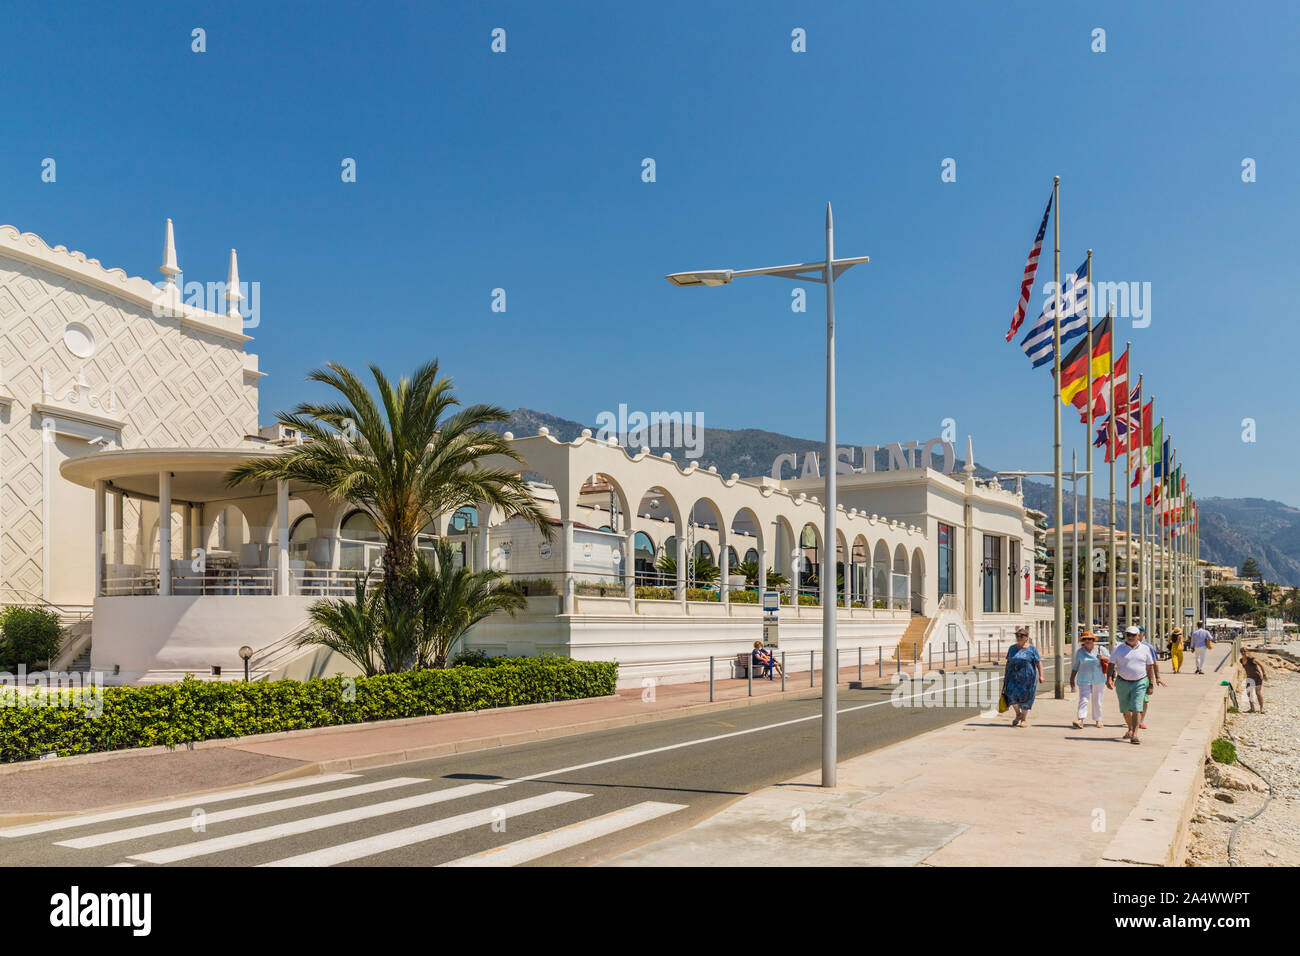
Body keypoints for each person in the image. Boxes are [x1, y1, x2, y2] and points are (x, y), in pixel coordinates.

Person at [1107, 625, 1163, 744]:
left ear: (1138, 636)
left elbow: (1149, 667)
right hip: (1122, 682)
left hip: (1140, 681)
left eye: (1133, 635)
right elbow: (1111, 664)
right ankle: (1130, 729)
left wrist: (1151, 683)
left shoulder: (1145, 649)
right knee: (1125, 710)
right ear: (1125, 636)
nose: (1131, 637)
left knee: (1137, 708)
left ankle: (1135, 735)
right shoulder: (1118, 649)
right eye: (1128, 635)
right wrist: (1109, 679)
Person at [1002, 626, 1043, 727]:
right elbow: (1008, 663)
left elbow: (1038, 663)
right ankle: (1018, 713)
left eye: (1022, 636)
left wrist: (1041, 675)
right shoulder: (1012, 648)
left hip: (1028, 679)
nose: (1019, 637)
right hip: (1013, 678)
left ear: (1027, 637)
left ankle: (1023, 719)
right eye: (1017, 636)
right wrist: (1005, 676)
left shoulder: (1032, 649)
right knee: (1011, 696)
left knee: (1026, 698)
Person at [1070, 631, 1108, 728]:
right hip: (1084, 679)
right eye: (1085, 639)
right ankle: (1080, 720)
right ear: (1082, 641)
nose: (1087, 641)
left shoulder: (1101, 649)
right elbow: (1075, 666)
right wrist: (1071, 679)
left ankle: (1098, 720)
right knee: (1083, 699)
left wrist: (1102, 657)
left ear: (1093, 640)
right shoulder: (1080, 652)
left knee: (1097, 700)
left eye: (1090, 639)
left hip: (1098, 679)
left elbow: (1111, 660)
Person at [1138, 627, 1161, 730]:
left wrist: (1157, 678)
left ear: (1143, 634)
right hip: (1130, 678)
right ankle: (1134, 719)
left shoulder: (1148, 647)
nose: (1137, 635)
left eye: (1140, 633)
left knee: (1144, 700)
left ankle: (1141, 720)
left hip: (1145, 677)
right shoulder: (1125, 646)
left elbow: (1154, 663)